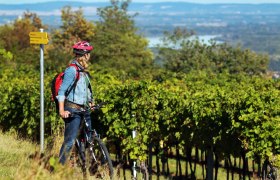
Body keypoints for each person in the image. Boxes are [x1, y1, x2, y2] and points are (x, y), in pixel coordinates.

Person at [57, 41, 94, 165]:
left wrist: (91, 102)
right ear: (84, 55)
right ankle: (58, 168)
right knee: (69, 141)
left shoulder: (84, 71)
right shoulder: (72, 70)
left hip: (85, 109)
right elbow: (62, 91)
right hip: (73, 109)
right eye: (88, 53)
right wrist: (62, 110)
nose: (89, 56)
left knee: (90, 138)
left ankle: (85, 163)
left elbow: (86, 90)